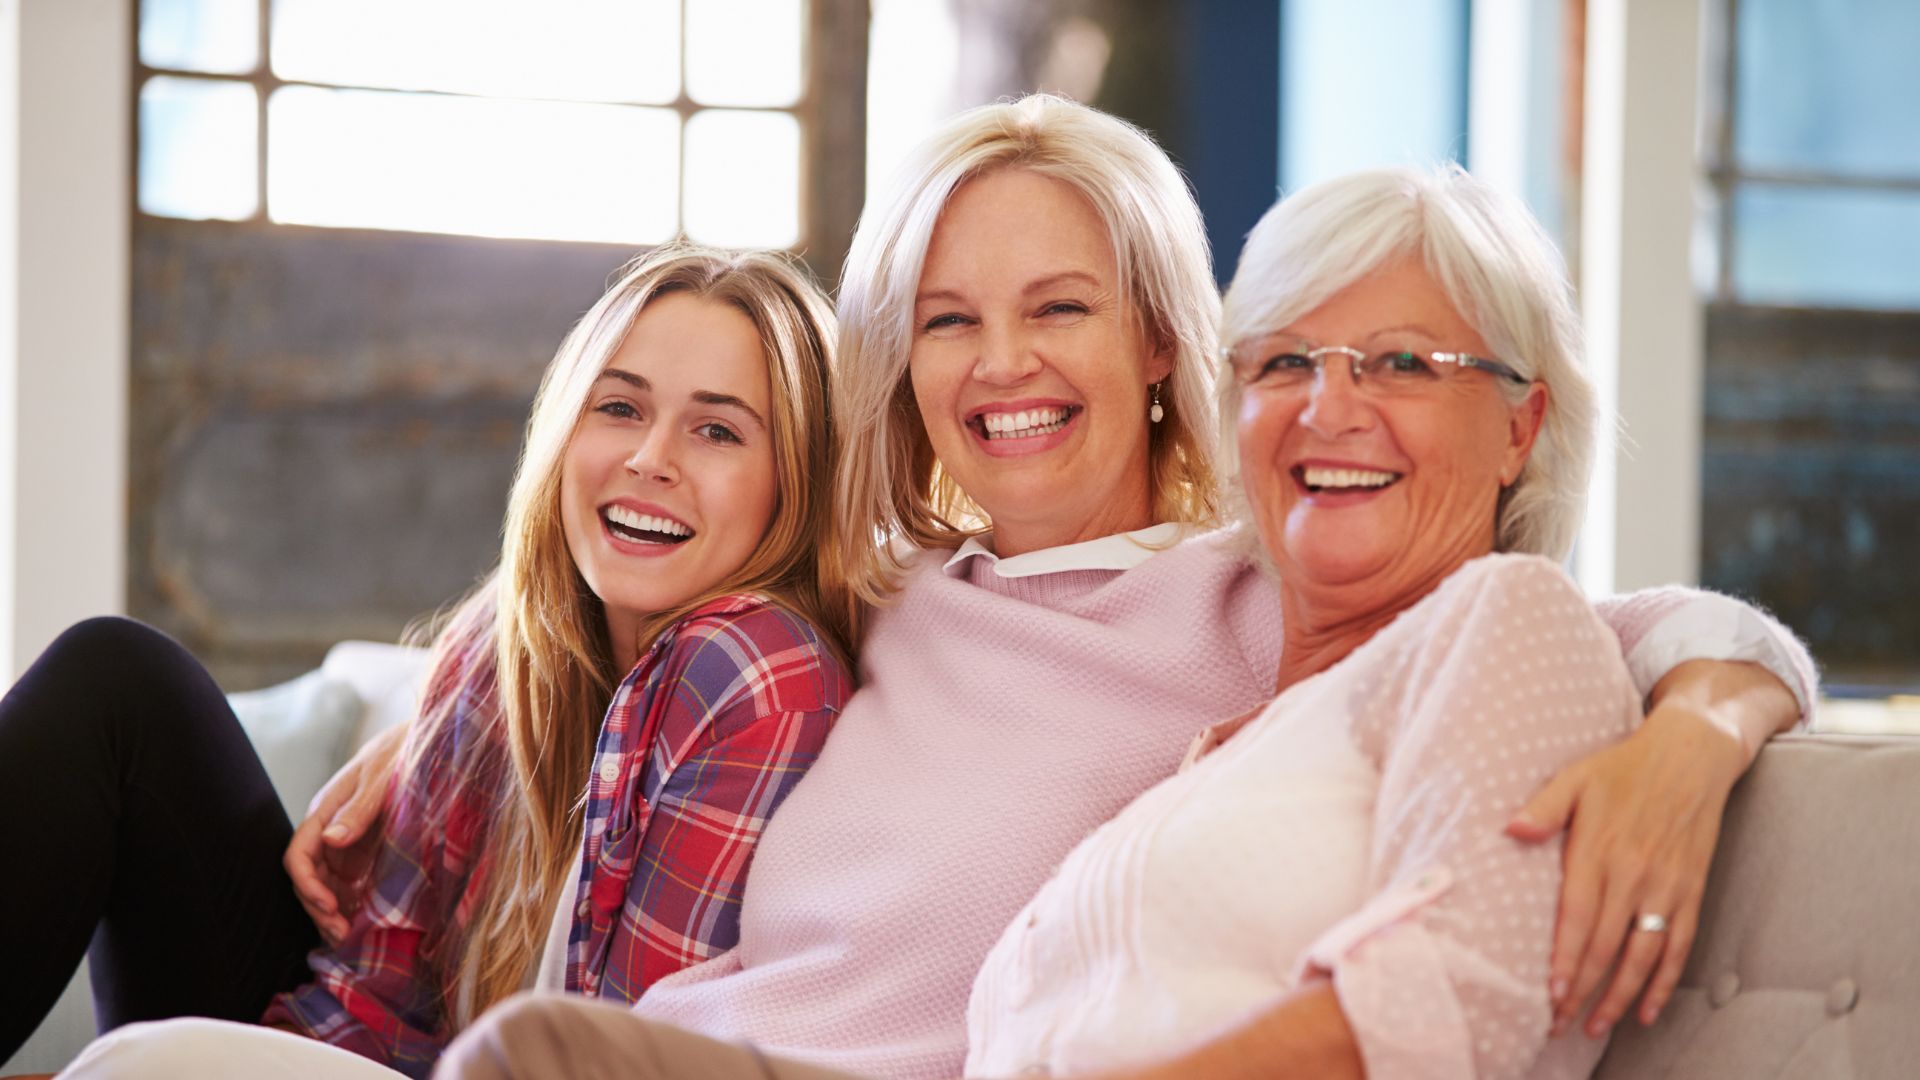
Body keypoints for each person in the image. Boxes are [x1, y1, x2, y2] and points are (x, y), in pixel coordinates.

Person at [314, 98, 1805, 1080]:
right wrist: (446, 701)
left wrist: (1705, 727)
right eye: (951, 320)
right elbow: (641, 577)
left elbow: (1617, 627)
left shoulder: (1267, 596)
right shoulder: (883, 591)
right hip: (682, 1045)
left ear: (1160, 339)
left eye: (1061, 309)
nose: (1003, 365)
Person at [0, 244, 851, 1077]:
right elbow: (375, 988)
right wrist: (410, 736)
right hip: (358, 1032)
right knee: (117, 681)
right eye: (620, 407)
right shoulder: (518, 633)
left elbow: (621, 1058)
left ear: (797, 478)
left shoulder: (754, 670)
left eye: (716, 430)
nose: (649, 459)